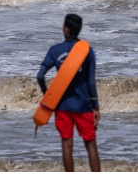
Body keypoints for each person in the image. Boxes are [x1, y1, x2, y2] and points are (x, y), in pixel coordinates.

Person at [37, 13, 101, 172]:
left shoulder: (55, 50)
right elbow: (91, 82)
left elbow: (40, 76)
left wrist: (49, 96)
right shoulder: (87, 51)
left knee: (67, 145)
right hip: (84, 105)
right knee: (91, 145)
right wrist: (96, 106)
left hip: (62, 106)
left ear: (66, 30)